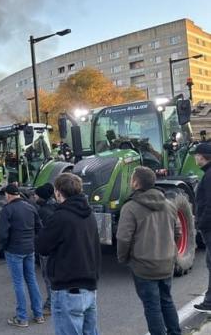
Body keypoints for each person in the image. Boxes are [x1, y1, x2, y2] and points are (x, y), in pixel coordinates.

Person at [116, 167, 181, 335]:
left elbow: (123, 238)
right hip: (166, 263)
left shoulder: (130, 207)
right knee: (167, 301)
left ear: (136, 183)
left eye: (132, 179)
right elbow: (177, 232)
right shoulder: (169, 204)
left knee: (152, 307)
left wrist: (123, 258)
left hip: (143, 266)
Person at [36, 173, 101, 335]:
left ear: (58, 192)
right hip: (90, 287)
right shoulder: (89, 214)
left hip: (68, 289)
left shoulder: (60, 217)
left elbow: (41, 246)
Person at [0, 184, 44, 328]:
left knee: (18, 283)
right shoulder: (30, 207)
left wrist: (5, 247)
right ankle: (39, 314)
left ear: (8, 195)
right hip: (29, 249)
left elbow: (3, 234)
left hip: (14, 250)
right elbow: (39, 228)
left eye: (5, 194)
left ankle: (22, 317)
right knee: (31, 280)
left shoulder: (7, 210)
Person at [34, 183, 57, 313]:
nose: (34, 197)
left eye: (36, 195)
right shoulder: (55, 206)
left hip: (47, 250)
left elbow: (42, 232)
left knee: (48, 277)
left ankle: (51, 304)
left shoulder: (43, 212)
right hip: (56, 248)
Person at [195, 142, 211, 313]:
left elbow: (209, 204)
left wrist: (202, 224)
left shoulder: (208, 176)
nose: (195, 157)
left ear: (202, 156)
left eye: (197, 155)